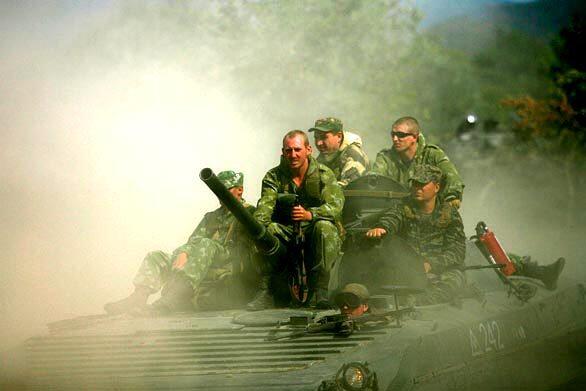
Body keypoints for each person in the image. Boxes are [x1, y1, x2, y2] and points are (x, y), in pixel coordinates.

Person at [104, 170, 258, 315]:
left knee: (206, 244)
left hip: (229, 262)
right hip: (201, 260)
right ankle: (138, 298)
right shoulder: (211, 217)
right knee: (156, 256)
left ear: (240, 190)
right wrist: (184, 252)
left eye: (226, 188)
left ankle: (174, 297)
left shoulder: (249, 213)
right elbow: (193, 241)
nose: (220, 194)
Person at [247, 130, 344, 310]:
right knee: (263, 231)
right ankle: (266, 289)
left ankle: (321, 290)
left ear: (308, 150)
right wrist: (258, 229)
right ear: (282, 153)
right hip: (286, 231)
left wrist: (310, 214)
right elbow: (265, 208)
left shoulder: (324, 174)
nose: (293, 155)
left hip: (314, 230)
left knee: (325, 227)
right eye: (288, 151)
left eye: (297, 150)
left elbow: (336, 207)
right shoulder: (273, 177)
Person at [366, 164, 466, 305]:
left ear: (436, 187)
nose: (417, 188)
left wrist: (430, 264)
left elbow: (457, 252)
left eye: (422, 184)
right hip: (408, 269)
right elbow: (392, 218)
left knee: (447, 287)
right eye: (414, 184)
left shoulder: (449, 214)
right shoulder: (403, 207)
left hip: (443, 271)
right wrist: (382, 228)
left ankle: (418, 305)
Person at [372, 116, 464, 208]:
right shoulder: (386, 157)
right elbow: (374, 178)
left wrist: (452, 198)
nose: (395, 139)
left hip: (428, 213)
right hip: (394, 211)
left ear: (414, 137)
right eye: (393, 134)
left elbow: (453, 178)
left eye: (401, 135)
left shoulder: (432, 155)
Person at [308, 117, 370, 187]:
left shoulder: (352, 156)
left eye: (323, 137)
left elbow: (349, 188)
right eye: (316, 138)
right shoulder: (327, 154)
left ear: (339, 136)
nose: (319, 143)